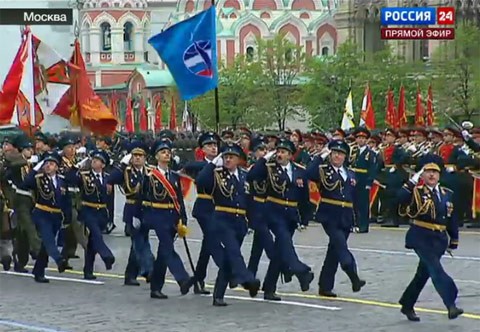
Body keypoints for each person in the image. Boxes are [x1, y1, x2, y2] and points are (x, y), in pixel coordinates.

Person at [397, 154, 463, 321]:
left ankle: (407, 304)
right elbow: (398, 198)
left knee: (423, 274)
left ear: (439, 174)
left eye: (435, 172)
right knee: (436, 270)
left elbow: (451, 218)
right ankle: (451, 304)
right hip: (420, 236)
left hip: (439, 239)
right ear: (422, 174)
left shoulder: (447, 194)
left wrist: (453, 239)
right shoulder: (416, 191)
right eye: (428, 172)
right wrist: (412, 182)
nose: (432, 175)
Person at [247, 138, 313, 301]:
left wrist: (304, 219)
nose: (280, 154)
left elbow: (304, 197)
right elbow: (251, 176)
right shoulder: (268, 168)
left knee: (279, 252)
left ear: (290, 155)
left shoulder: (299, 171)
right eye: (278, 151)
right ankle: (301, 270)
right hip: (273, 212)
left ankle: (270, 288)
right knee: (285, 242)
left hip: (290, 214)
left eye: (283, 152)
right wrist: (263, 159)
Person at [196, 143, 261, 306]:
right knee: (233, 252)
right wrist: (212, 164)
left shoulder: (245, 176)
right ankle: (248, 279)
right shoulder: (216, 174)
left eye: (231, 157)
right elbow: (201, 181)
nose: (227, 159)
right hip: (222, 219)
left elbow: (250, 200)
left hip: (240, 222)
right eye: (225, 157)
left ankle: (218, 295)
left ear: (238, 159)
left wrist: (252, 222)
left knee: (227, 259)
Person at [305, 140, 366, 297]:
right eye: (334, 153)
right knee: (341, 247)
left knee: (334, 251)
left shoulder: (350, 173)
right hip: (329, 214)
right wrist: (320, 157)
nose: (337, 156)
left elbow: (355, 197)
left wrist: (358, 218)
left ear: (345, 156)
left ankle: (325, 286)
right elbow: (308, 174)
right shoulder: (323, 170)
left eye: (340, 154)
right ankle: (354, 277)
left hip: (346, 215)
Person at [140, 138, 194, 299]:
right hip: (157, 215)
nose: (167, 155)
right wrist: (141, 217)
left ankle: (155, 288)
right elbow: (142, 197)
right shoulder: (150, 176)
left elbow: (178, 199)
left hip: (171, 216)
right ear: (156, 156)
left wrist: (182, 218)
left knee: (163, 252)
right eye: (163, 152)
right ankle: (183, 279)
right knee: (168, 247)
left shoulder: (174, 176)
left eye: (168, 152)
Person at [107, 141, 154, 285]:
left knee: (137, 244)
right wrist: (122, 165)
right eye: (135, 156)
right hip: (132, 209)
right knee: (140, 242)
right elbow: (111, 178)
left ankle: (130, 275)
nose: (137, 158)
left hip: (145, 210)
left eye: (140, 156)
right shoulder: (125, 171)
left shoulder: (149, 171)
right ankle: (149, 269)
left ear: (145, 158)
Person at [183, 131, 222, 295]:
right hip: (204, 208)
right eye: (209, 145)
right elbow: (189, 171)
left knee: (207, 245)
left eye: (215, 145)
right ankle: (228, 269)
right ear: (202, 149)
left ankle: (197, 279)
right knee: (213, 241)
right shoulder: (198, 166)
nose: (213, 148)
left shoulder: (223, 164)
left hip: (218, 208)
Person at [21, 151, 69, 283]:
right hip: (41, 213)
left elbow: (66, 200)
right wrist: (37, 167)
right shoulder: (38, 178)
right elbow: (26, 183)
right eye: (47, 163)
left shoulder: (62, 180)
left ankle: (38, 271)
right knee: (48, 240)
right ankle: (59, 260)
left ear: (57, 167)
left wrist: (67, 218)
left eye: (52, 164)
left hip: (56, 215)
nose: (48, 166)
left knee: (45, 245)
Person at [71, 150, 115, 280]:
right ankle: (107, 256)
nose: (94, 161)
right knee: (96, 234)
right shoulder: (84, 175)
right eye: (94, 159)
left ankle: (88, 270)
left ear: (103, 164)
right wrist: (76, 167)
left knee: (92, 242)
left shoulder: (108, 178)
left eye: (98, 160)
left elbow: (110, 199)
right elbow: (71, 179)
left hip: (101, 212)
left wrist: (109, 218)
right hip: (88, 210)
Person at [9, 135, 41, 273]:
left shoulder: (30, 163)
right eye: (27, 149)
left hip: (31, 200)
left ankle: (20, 261)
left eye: (31, 149)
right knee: (30, 227)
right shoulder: (16, 161)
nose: (30, 152)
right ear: (21, 150)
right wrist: (27, 164)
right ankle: (39, 252)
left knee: (22, 234)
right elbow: (12, 168)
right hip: (20, 199)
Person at [349, 128, 377, 233]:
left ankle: (363, 226)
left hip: (363, 180)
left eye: (363, 138)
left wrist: (369, 182)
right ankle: (354, 224)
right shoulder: (353, 151)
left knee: (363, 204)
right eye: (359, 138)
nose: (361, 140)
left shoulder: (370, 153)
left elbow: (372, 169)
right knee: (353, 203)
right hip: (353, 179)